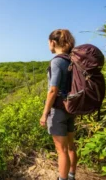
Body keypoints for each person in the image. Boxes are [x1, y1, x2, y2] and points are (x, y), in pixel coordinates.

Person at [40, 29, 77, 180]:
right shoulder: (72, 60)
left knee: (61, 150)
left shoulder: (56, 61)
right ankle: (71, 175)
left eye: (48, 42)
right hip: (71, 107)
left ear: (53, 42)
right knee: (70, 146)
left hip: (58, 110)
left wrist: (44, 113)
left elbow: (53, 89)